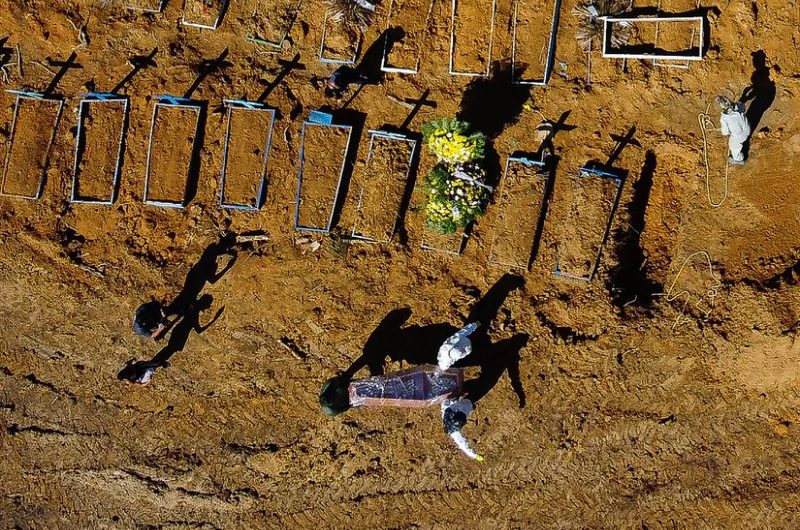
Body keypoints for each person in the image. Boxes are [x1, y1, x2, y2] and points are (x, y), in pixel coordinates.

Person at [319, 322, 484, 460]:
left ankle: (465, 386)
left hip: (422, 391)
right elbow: (377, 381)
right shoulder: (360, 391)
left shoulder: (356, 396)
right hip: (421, 386)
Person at [716, 95, 751, 165]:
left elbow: (725, 133)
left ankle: (738, 159)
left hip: (739, 136)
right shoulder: (740, 106)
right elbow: (741, 105)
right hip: (747, 129)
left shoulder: (724, 118)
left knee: (733, 146)